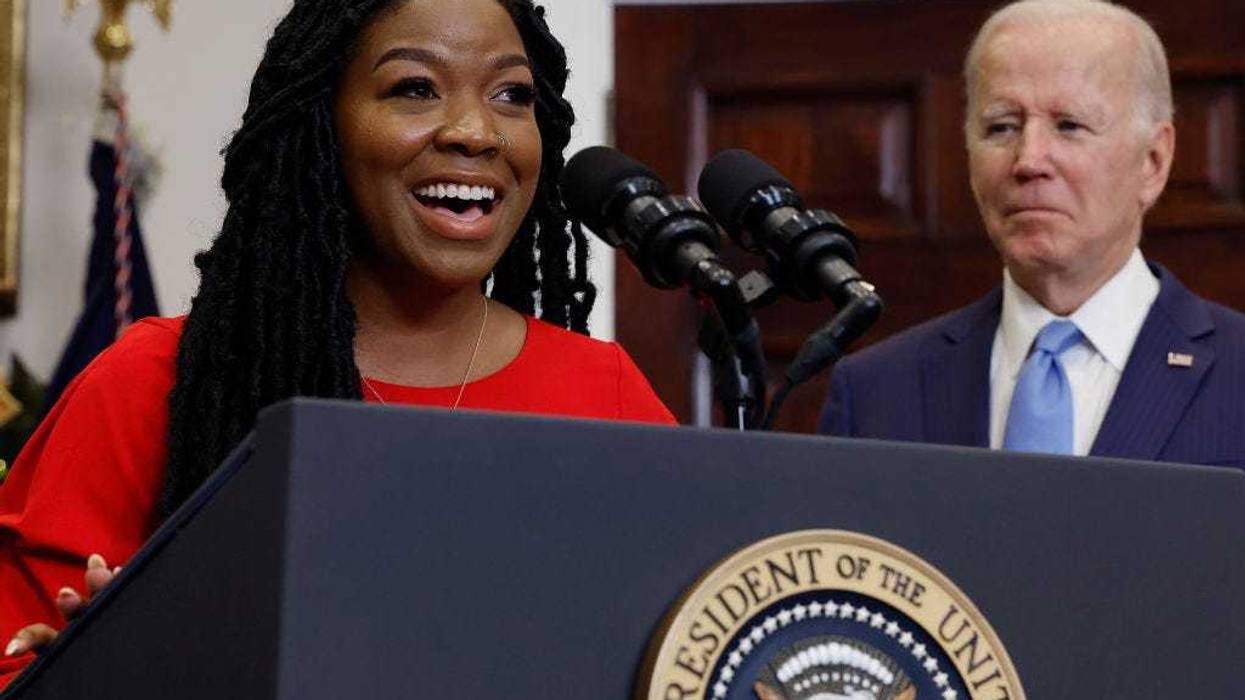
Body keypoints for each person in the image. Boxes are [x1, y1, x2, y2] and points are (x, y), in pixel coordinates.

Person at [0, 0, 675, 685]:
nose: (476, 132)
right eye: (415, 87)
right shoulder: (151, 382)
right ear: (321, 124)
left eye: (511, 94)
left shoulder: (604, 394)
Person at [818, 0, 1245, 467]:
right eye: (1002, 127)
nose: (1029, 161)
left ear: (1153, 162)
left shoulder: (1235, 370)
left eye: (1069, 126)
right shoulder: (877, 391)